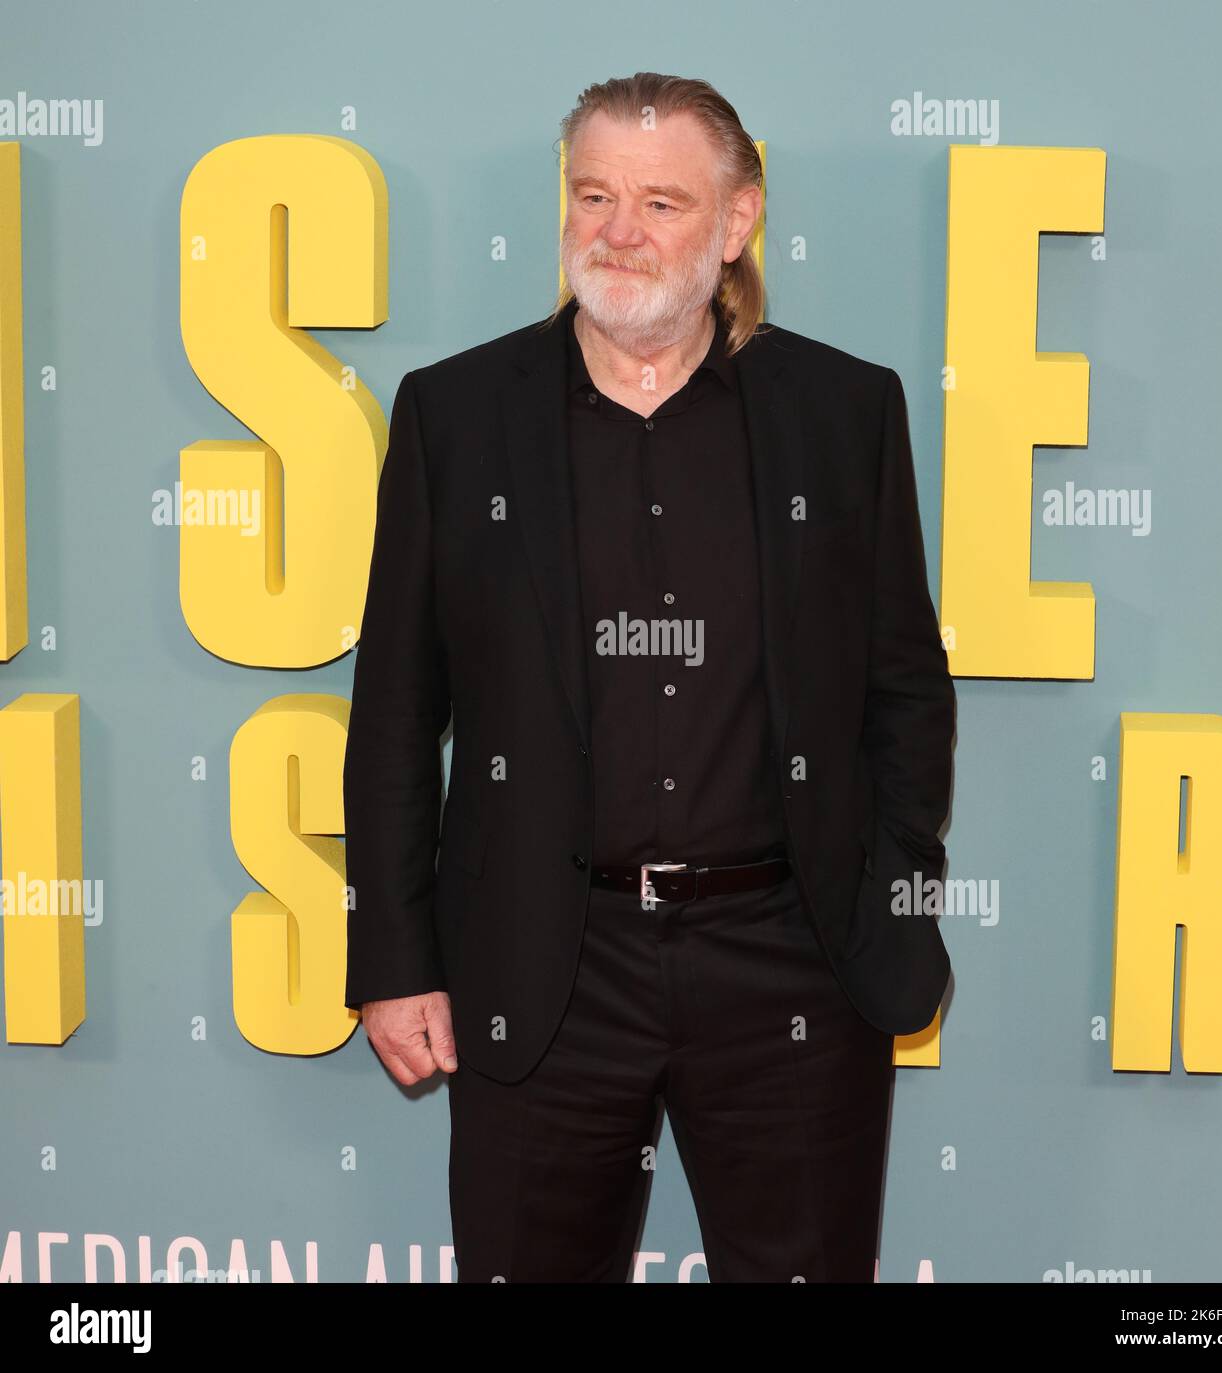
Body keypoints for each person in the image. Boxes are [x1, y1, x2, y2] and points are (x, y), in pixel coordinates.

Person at [342, 71, 956, 1283]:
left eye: (663, 201)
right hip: (543, 964)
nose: (618, 231)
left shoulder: (844, 412)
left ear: (736, 225)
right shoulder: (453, 415)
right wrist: (395, 954)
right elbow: (400, 712)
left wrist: (893, 899)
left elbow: (904, 690)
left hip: (792, 959)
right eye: (592, 195)